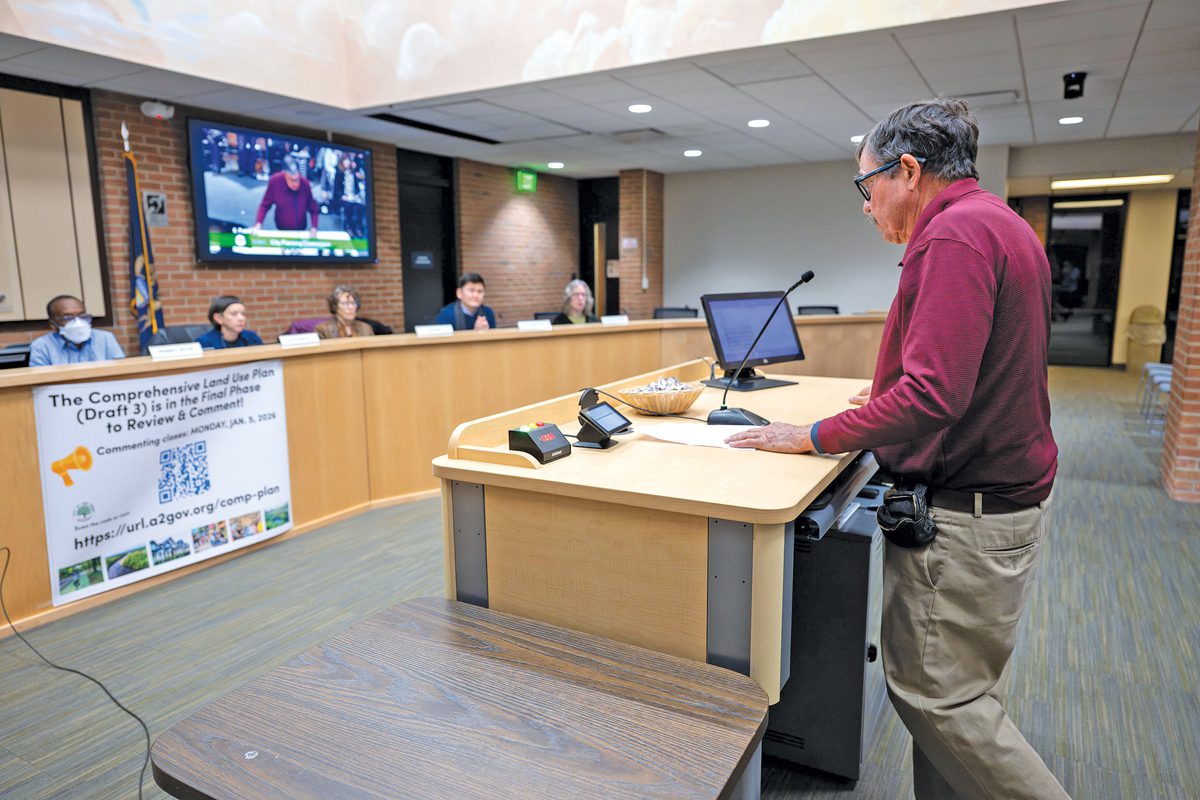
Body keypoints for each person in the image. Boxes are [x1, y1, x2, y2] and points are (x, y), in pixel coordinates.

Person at [726, 98, 1067, 799]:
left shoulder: (951, 238)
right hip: (1003, 496)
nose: (866, 204)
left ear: (908, 171)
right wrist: (884, 393)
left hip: (970, 513)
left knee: (939, 701)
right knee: (960, 696)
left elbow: (934, 397)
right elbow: (972, 370)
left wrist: (811, 435)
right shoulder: (1001, 224)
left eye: (868, 184)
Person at [29, 295, 125, 367]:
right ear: (53, 325)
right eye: (68, 318)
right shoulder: (41, 346)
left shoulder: (105, 338)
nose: (78, 323)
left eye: (83, 316)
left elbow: (121, 373)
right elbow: (39, 384)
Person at [252, 155, 320, 234]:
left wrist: (314, 227)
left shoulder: (305, 184)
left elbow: (314, 209)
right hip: (281, 230)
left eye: (297, 179)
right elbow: (265, 205)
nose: (295, 184)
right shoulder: (275, 181)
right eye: (292, 180)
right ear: (284, 175)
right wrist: (258, 223)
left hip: (301, 231)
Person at [196, 296, 263, 349]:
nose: (241, 318)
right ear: (219, 318)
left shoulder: (252, 337)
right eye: (234, 314)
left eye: (243, 313)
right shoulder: (203, 343)